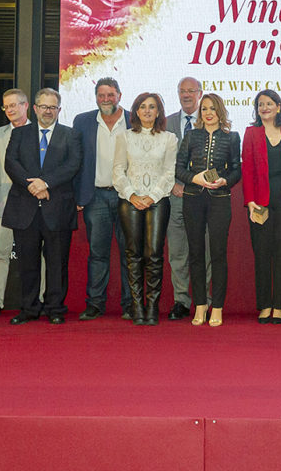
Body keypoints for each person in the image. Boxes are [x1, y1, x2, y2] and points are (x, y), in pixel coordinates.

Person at [3, 88, 83, 326]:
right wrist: (33, 186)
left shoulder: (71, 135)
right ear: (35, 108)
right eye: (44, 107)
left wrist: (46, 183)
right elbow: (11, 163)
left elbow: (73, 165)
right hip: (25, 207)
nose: (48, 111)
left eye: (53, 107)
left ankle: (55, 308)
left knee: (57, 263)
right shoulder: (20, 134)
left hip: (57, 207)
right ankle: (28, 308)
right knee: (27, 262)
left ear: (59, 110)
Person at [175, 93, 241, 327]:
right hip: (193, 199)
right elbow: (179, 170)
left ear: (220, 111)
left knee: (218, 254)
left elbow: (236, 170)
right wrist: (195, 178)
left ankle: (218, 307)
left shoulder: (232, 137)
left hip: (220, 200)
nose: (208, 113)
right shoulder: (191, 136)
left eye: (212, 108)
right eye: (204, 109)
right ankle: (200, 304)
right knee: (195, 253)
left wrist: (224, 181)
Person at [241, 90, 281, 324]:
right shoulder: (251, 133)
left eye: (269, 103)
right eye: (260, 104)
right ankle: (264, 305)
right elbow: (246, 169)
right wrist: (249, 201)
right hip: (260, 203)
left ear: (279, 107)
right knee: (262, 254)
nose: (265, 107)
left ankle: (279, 305)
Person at [113, 92, 177, 326]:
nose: (147, 111)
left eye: (152, 107)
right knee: (133, 254)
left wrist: (151, 197)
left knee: (154, 254)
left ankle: (152, 307)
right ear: (136, 112)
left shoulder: (169, 138)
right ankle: (136, 306)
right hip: (129, 200)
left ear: (159, 111)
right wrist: (132, 195)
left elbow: (169, 173)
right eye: (143, 107)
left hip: (158, 201)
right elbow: (118, 171)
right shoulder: (125, 137)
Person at [73, 77, 133, 321]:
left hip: (127, 197)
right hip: (95, 196)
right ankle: (95, 304)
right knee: (97, 253)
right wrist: (78, 194)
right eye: (101, 95)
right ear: (96, 97)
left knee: (129, 252)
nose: (106, 99)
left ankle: (131, 304)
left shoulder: (133, 119)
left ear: (119, 95)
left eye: (110, 95)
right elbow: (76, 159)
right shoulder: (83, 121)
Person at [0, 89, 39, 319]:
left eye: (15, 105)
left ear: (26, 106)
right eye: (7, 106)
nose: (11, 109)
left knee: (37, 255)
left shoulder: (40, 132)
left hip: (33, 204)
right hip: (3, 204)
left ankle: (38, 299)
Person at [165, 76, 206, 320]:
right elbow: (160, 159)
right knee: (178, 252)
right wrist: (172, 185)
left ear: (200, 93)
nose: (186, 95)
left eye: (191, 91)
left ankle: (206, 300)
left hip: (204, 197)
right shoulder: (167, 122)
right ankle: (181, 300)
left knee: (206, 251)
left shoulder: (211, 118)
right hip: (176, 196)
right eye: (182, 91)